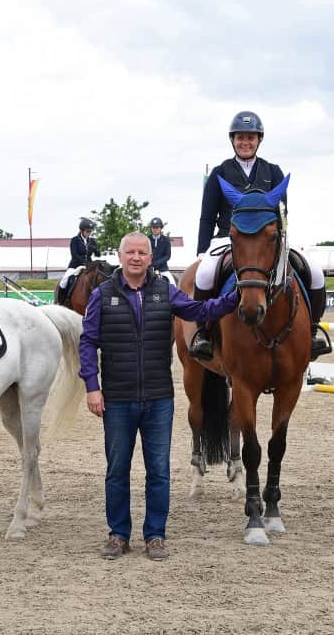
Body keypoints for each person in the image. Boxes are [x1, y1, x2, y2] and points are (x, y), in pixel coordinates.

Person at [80, 232, 239, 562]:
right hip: (118, 399)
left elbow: (199, 308)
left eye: (143, 252)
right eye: (131, 252)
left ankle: (155, 535)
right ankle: (118, 534)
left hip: (158, 399)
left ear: (151, 258)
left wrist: (234, 298)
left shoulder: (165, 291)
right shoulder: (101, 294)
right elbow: (88, 343)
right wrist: (92, 387)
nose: (137, 257)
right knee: (117, 470)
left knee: (159, 471)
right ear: (121, 256)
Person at [193, 110, 329, 361]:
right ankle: (203, 333)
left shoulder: (273, 172)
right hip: (229, 238)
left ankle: (312, 331)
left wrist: (283, 239)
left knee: (315, 271)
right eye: (240, 138)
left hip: (268, 240)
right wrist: (202, 251)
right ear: (232, 140)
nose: (245, 142)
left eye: (251, 138)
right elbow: (207, 215)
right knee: (204, 273)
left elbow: (282, 214)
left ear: (259, 140)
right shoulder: (220, 173)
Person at [59, 217, 101, 290]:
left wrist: (96, 249)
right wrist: (84, 263)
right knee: (64, 281)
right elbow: (74, 255)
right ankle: (61, 300)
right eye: (87, 231)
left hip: (89, 266)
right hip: (75, 265)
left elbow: (98, 255)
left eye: (90, 231)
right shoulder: (75, 240)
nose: (89, 233)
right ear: (82, 230)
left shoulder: (92, 241)